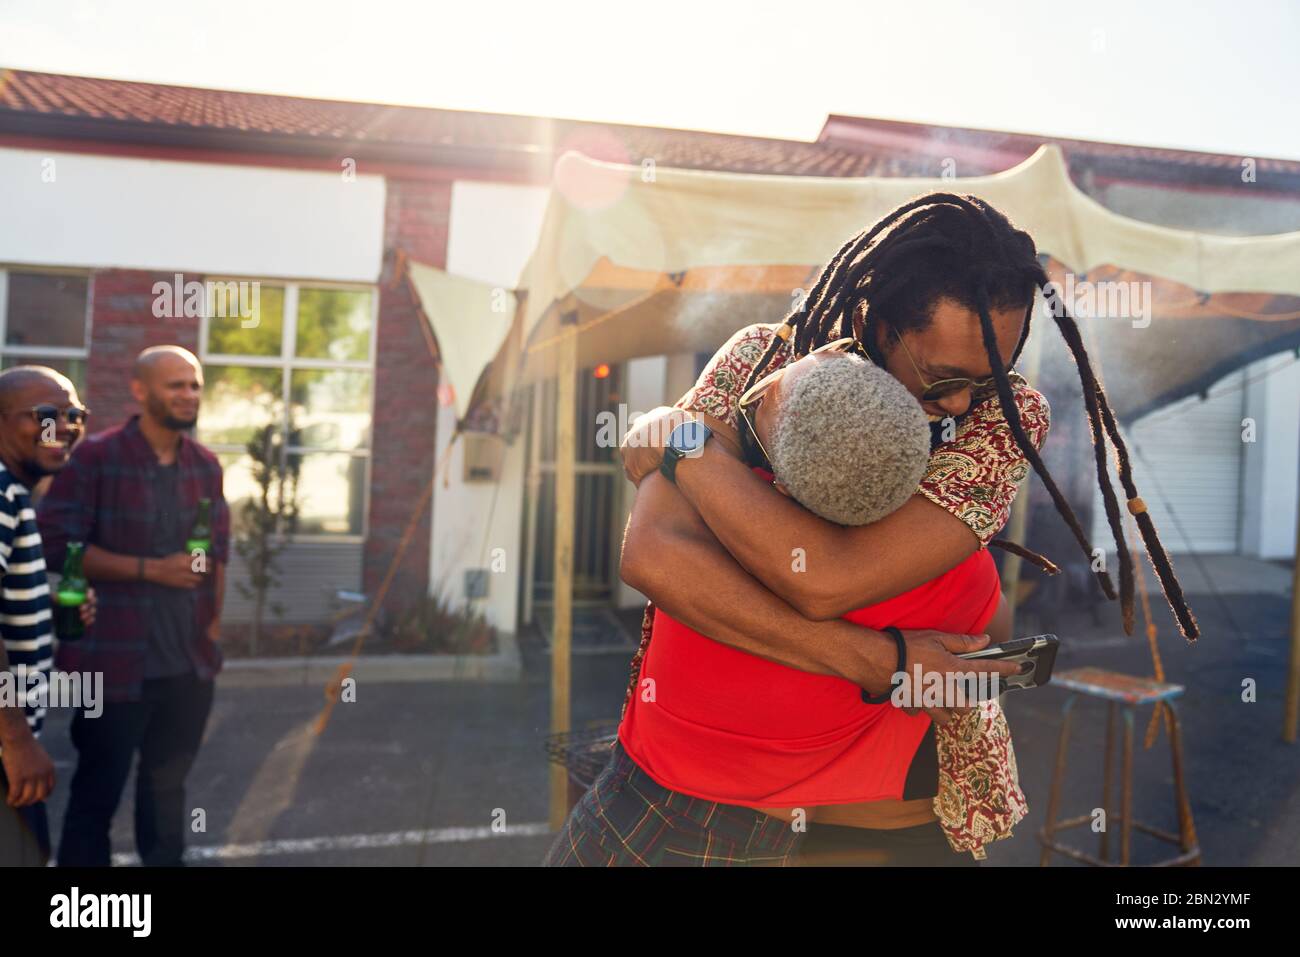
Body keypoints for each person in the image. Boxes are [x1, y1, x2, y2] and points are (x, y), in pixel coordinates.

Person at [547, 192, 1194, 866]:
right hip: (704, 803)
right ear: (872, 320)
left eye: (989, 376)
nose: (962, 404)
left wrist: (686, 448)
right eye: (941, 377)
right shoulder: (757, 363)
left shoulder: (1003, 417)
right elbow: (653, 557)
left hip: (886, 827)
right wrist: (888, 662)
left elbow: (825, 578)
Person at [545, 348, 1019, 866]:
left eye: (769, 391)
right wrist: (891, 660)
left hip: (657, 816)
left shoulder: (713, 551)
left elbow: (646, 560)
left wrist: (679, 440)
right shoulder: (956, 572)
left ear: (774, 429)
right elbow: (993, 636)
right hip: (796, 837)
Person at [39, 345, 230, 867]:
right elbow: (57, 543)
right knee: (97, 794)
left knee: (167, 795)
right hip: (112, 661)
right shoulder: (96, 459)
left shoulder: (206, 466)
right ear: (141, 391)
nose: (189, 395)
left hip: (186, 666)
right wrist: (151, 569)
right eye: (176, 385)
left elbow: (218, 553)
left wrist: (211, 628)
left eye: (194, 385)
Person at [0, 366, 96, 865]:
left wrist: (44, 600)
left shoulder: (13, 495)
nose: (63, 426)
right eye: (44, 416)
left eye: (74, 414)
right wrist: (15, 739)